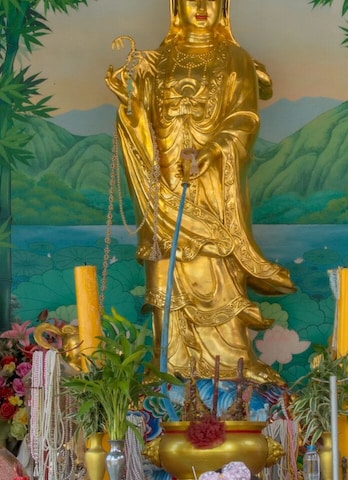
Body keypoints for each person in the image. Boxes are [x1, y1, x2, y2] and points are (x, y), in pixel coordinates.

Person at [106, 0, 294, 385]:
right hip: (164, 188)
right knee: (166, 267)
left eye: (213, 0)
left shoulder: (234, 58)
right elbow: (141, 122)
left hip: (212, 185)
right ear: (176, 7)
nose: (203, 7)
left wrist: (213, 149)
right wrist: (128, 103)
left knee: (215, 262)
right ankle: (169, 367)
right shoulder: (156, 61)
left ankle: (231, 362)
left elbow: (245, 117)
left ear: (224, 7)